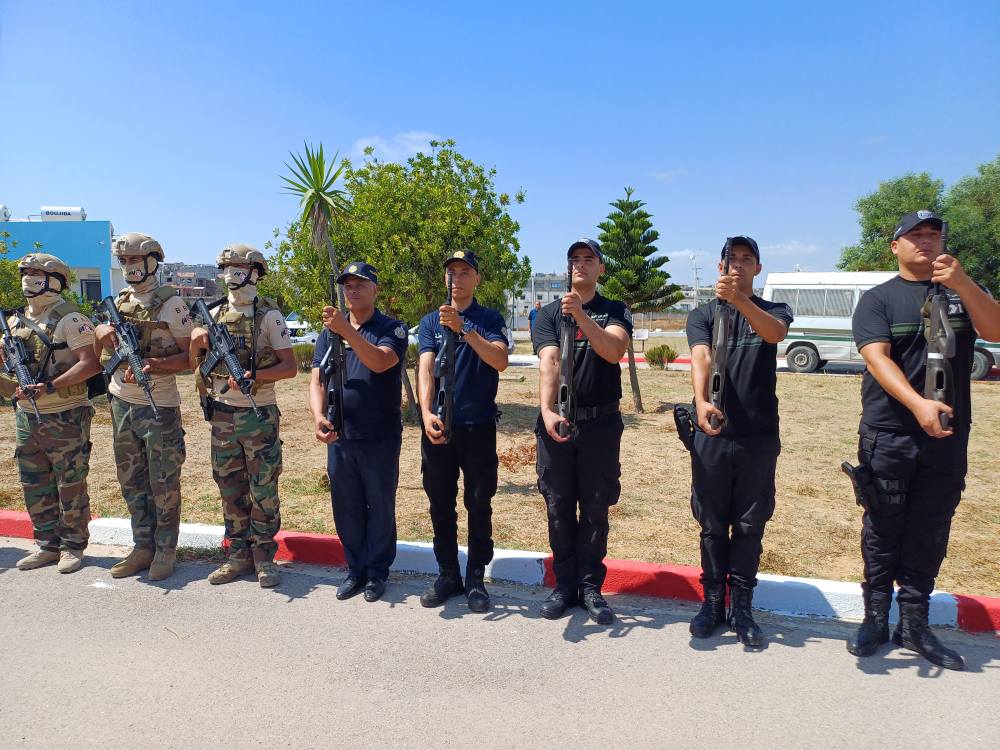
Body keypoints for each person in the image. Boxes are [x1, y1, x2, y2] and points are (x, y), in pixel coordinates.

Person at [846, 211, 1000, 670]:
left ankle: (914, 625)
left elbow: (995, 331)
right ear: (896, 246)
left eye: (933, 235)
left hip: (947, 436)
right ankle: (875, 618)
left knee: (930, 529)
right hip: (889, 434)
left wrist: (964, 283)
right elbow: (877, 359)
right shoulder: (878, 299)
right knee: (882, 527)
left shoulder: (964, 291)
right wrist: (917, 404)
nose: (926, 242)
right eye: (915, 236)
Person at [683, 237, 792, 648]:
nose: (739, 265)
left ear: (757, 268)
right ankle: (712, 602)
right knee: (711, 525)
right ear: (720, 266)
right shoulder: (702, 315)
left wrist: (741, 301)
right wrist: (700, 402)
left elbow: (774, 334)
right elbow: (701, 357)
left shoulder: (772, 309)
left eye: (747, 259)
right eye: (732, 259)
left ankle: (742, 608)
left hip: (757, 438)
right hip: (712, 436)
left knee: (749, 524)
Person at [531, 238, 632, 624]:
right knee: (558, 507)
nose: (580, 265)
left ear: (600, 268)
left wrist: (583, 317)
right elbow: (550, 361)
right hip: (558, 424)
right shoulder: (548, 314)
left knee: (594, 508)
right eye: (574, 259)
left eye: (589, 259)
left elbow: (614, 350)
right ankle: (564, 586)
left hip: (600, 425)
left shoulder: (614, 310)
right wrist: (547, 411)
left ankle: (590, 587)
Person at [189, 244, 297, 588]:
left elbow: (290, 367)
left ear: (255, 273)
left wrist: (255, 376)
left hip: (257, 413)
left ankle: (264, 557)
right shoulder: (214, 312)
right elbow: (196, 365)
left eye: (239, 267)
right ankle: (237, 555)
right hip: (222, 413)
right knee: (229, 485)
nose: (231, 273)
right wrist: (196, 342)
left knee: (263, 486)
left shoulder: (269, 316)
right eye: (226, 267)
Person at [94, 233, 193, 581]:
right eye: (123, 261)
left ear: (152, 261)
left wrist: (156, 365)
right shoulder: (120, 301)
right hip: (121, 402)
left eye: (135, 259)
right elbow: (99, 352)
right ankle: (142, 547)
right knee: (131, 480)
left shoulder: (172, 305)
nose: (129, 266)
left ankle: (165, 550)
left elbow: (191, 359)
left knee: (163, 482)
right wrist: (101, 330)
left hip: (158, 406)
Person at [310, 261, 408, 603]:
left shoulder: (391, 328)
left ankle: (377, 573)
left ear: (374, 290)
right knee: (346, 506)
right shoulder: (328, 334)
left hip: (379, 435)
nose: (352, 290)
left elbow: (380, 361)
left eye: (360, 284)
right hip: (341, 435)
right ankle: (355, 570)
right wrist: (318, 415)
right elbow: (317, 380)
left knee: (380, 506)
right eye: (348, 286)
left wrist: (345, 330)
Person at [416, 250, 509, 612]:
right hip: (439, 427)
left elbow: (499, 360)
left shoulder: (489, 319)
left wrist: (464, 329)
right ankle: (448, 574)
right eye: (451, 272)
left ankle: (475, 578)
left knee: (479, 503)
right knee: (440, 503)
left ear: (477, 278)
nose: (456, 278)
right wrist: (425, 413)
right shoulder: (430, 321)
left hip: (478, 427)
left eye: (465, 271)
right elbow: (426, 369)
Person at [3, 253, 101, 573]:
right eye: (25, 272)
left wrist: (50, 386)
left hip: (65, 414)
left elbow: (90, 364)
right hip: (26, 416)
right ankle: (47, 544)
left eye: (36, 273)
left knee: (70, 483)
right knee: (34, 482)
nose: (28, 278)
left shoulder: (70, 319)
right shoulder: (14, 321)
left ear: (55, 280)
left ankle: (73, 546)